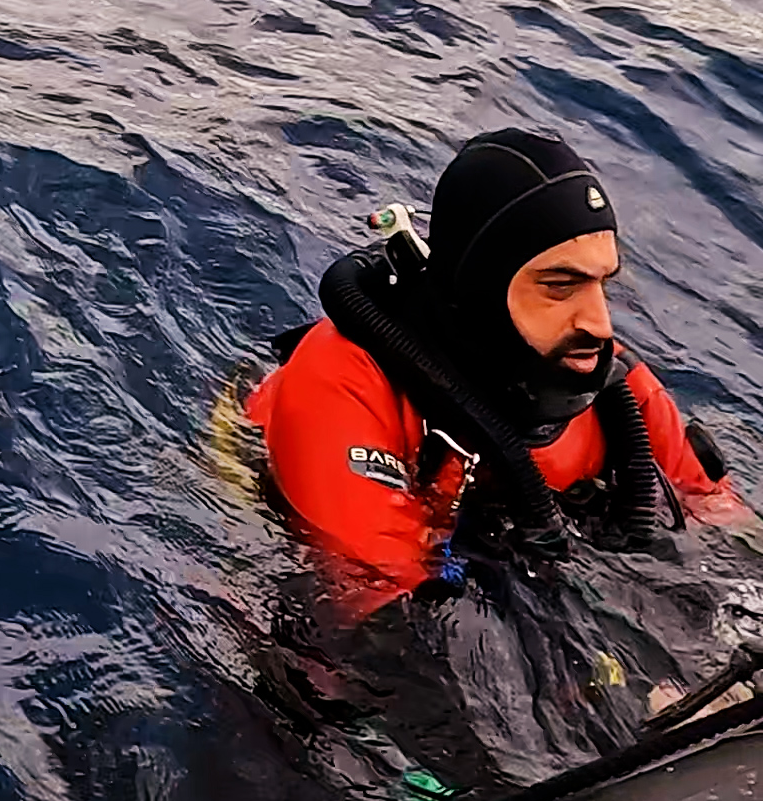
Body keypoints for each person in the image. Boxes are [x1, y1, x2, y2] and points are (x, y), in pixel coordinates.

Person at [249, 129, 740, 626]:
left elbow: (728, 539)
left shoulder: (617, 390)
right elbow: (376, 621)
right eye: (560, 286)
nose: (600, 323)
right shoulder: (342, 380)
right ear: (480, 288)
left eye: (601, 284)